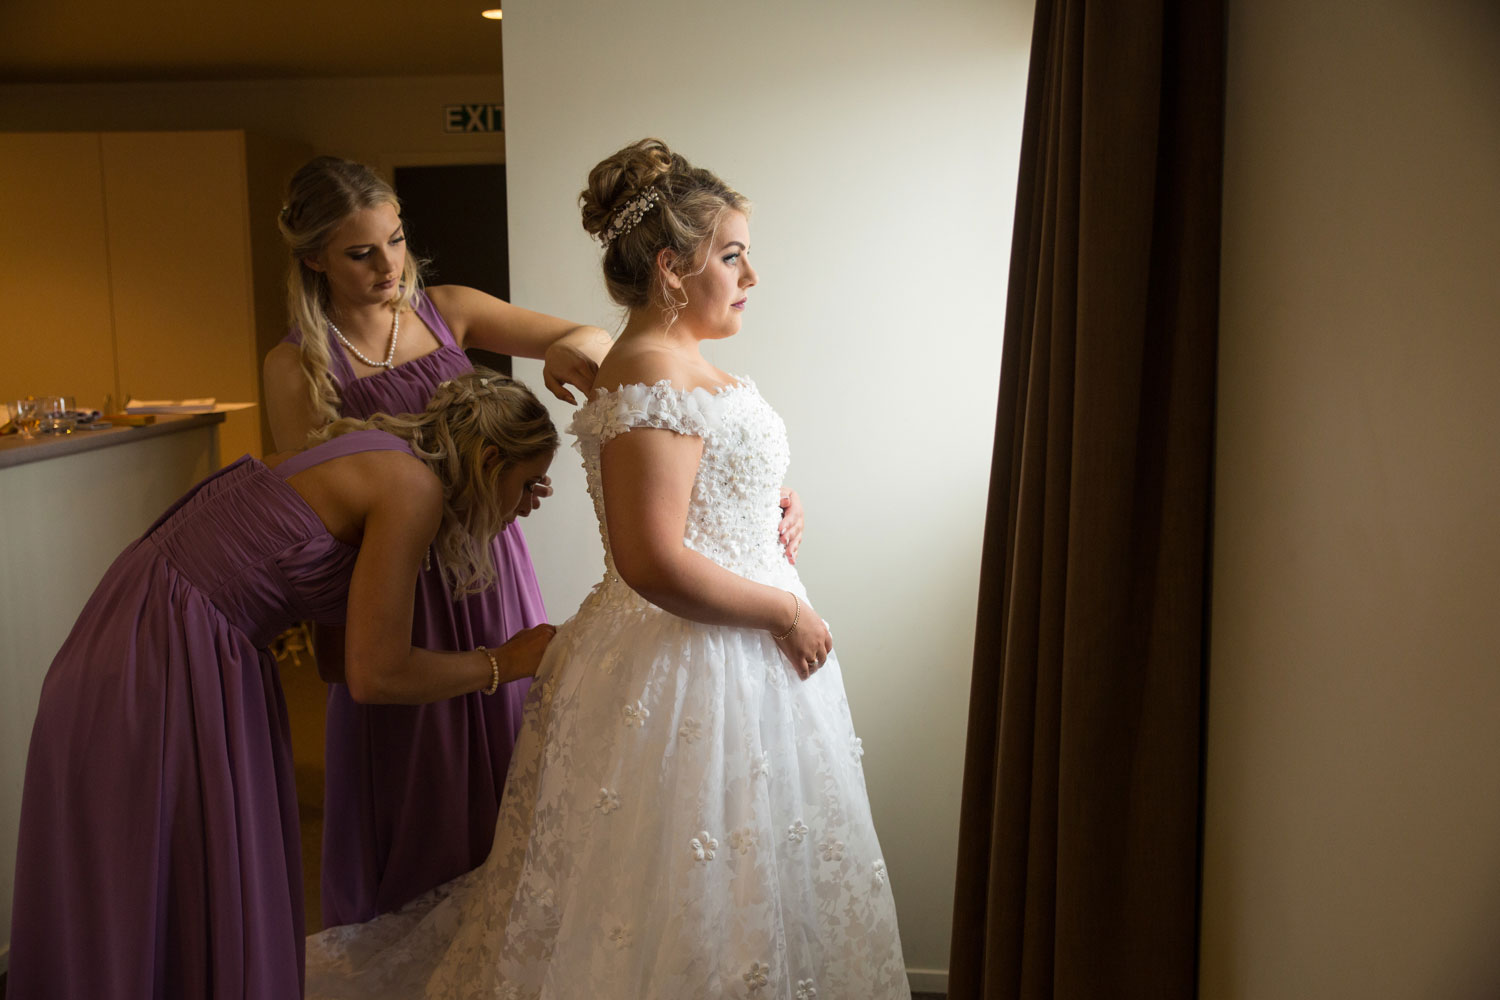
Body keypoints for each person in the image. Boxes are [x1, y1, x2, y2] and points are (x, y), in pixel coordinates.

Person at [305, 139, 909, 999]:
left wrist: (771, 500)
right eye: (731, 255)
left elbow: (705, 483)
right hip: (695, 663)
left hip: (735, 651)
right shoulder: (650, 373)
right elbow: (651, 559)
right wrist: (784, 615)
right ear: (671, 268)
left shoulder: (676, 363)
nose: (751, 274)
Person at [6, 372, 560, 999]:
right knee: (154, 869)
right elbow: (374, 675)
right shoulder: (412, 488)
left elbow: (333, 660)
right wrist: (505, 662)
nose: (526, 504)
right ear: (488, 459)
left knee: (161, 875)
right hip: (165, 657)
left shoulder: (373, 454)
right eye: (524, 483)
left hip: (139, 632)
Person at [261, 155, 617, 928]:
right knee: (417, 776)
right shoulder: (296, 365)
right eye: (362, 252)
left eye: (395, 240)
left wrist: (561, 356)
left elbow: (594, 335)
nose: (389, 265)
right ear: (315, 256)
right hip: (396, 589)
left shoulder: (446, 310)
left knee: (512, 752)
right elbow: (315, 520)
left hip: (489, 576)